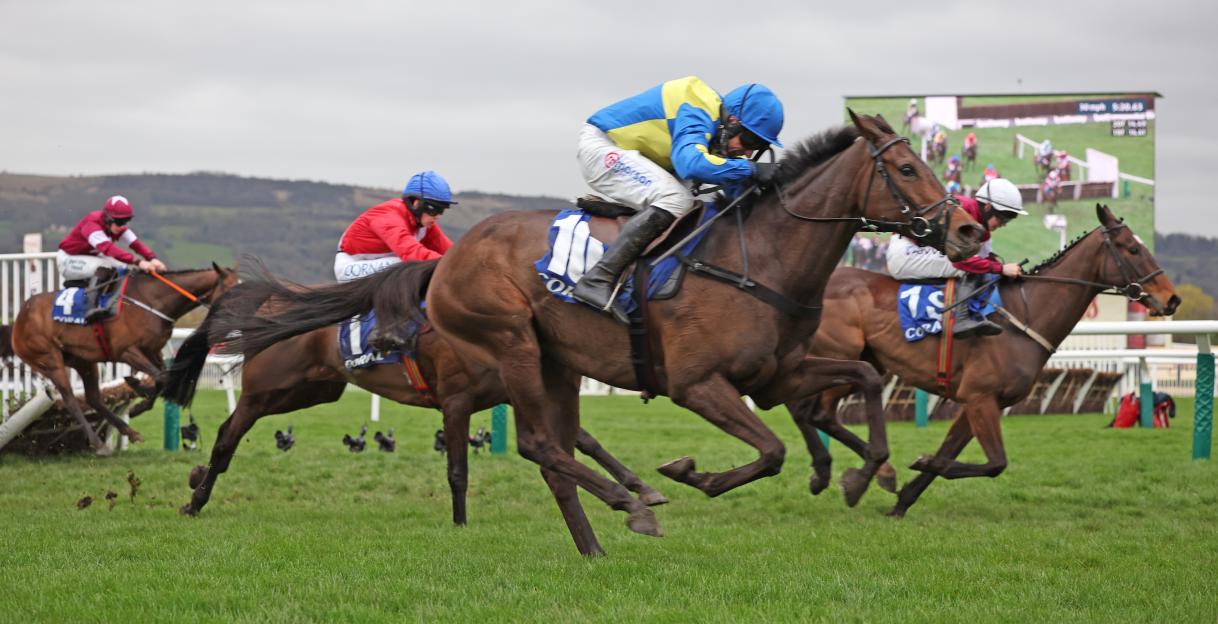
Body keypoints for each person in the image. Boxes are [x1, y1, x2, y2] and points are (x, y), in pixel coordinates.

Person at [570, 76, 784, 314]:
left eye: (758, 147)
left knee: (688, 205)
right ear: (732, 120)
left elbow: (736, 194)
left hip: (638, 157)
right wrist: (752, 169)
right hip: (603, 147)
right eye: (749, 139)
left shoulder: (720, 132)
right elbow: (690, 165)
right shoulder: (696, 105)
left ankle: (623, 212)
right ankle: (598, 279)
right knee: (676, 199)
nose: (747, 151)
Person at [886, 178, 1027, 337]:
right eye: (1003, 218)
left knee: (984, 266)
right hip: (904, 252)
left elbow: (987, 259)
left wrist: (1007, 269)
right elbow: (962, 262)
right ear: (988, 207)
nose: (1004, 224)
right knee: (970, 266)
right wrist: (1001, 269)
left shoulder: (984, 230)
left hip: (920, 251)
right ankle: (960, 319)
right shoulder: (961, 210)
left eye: (1008, 220)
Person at [57, 195, 166, 321]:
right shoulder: (92, 224)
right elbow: (108, 249)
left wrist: (152, 258)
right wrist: (139, 262)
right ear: (107, 219)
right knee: (106, 267)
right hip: (68, 260)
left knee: (123, 268)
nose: (122, 226)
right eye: (119, 222)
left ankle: (114, 303)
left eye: (126, 221)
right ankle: (90, 309)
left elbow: (136, 244)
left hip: (87, 257)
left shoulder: (117, 227)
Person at [334, 171, 455, 282]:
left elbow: (451, 252)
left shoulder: (424, 223)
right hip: (352, 265)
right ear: (416, 203)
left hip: (381, 261)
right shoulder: (388, 219)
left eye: (442, 210)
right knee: (408, 265)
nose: (437, 216)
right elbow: (412, 253)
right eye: (434, 209)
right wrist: (452, 265)